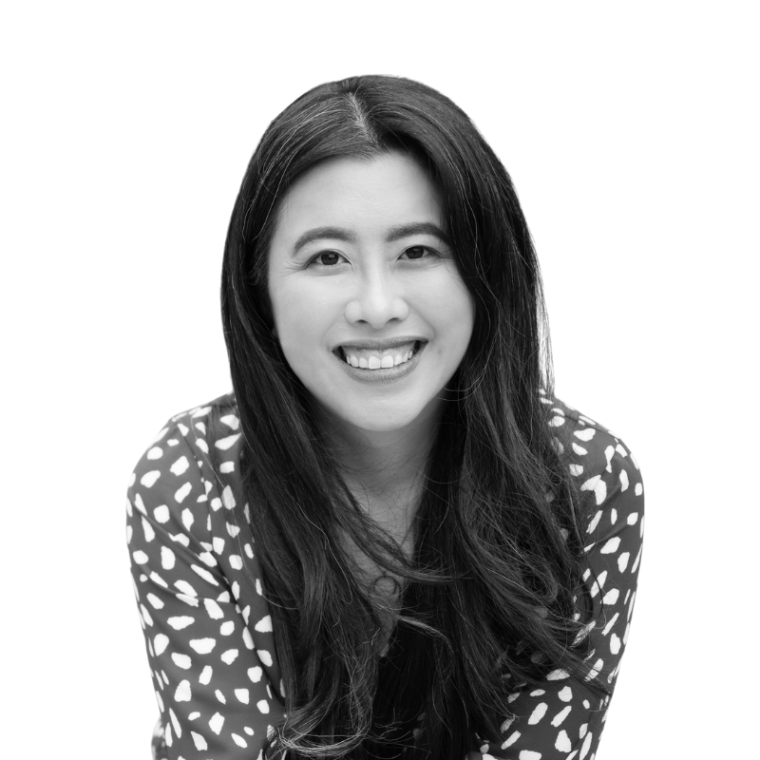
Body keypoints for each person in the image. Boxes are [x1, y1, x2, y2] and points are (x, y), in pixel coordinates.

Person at [126, 74, 645, 760]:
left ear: (485, 273)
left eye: (418, 251)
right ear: (260, 288)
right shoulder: (190, 478)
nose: (377, 306)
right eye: (327, 257)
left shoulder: (583, 478)